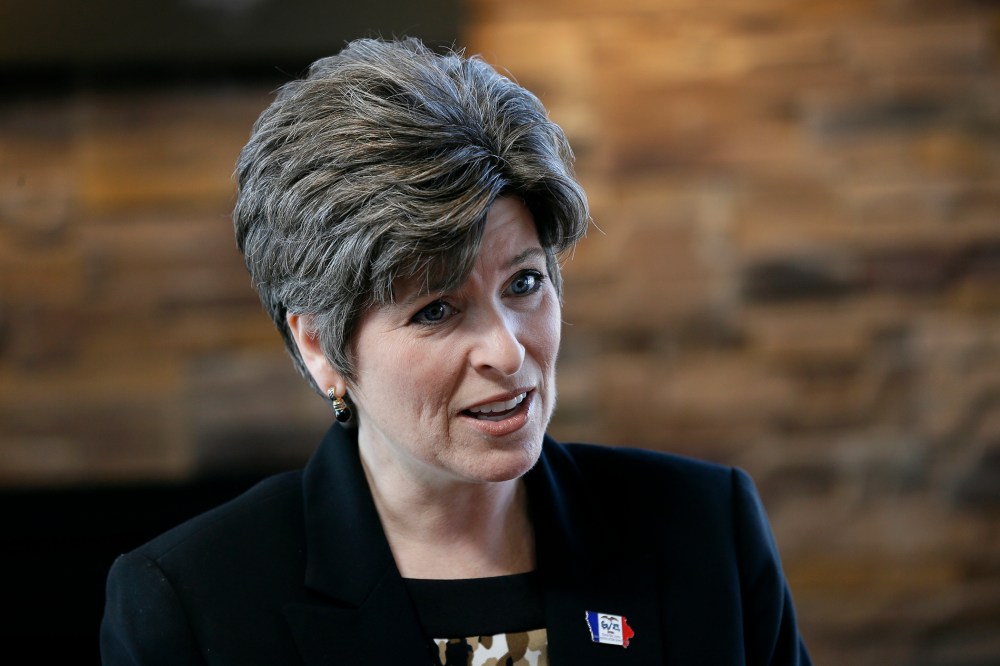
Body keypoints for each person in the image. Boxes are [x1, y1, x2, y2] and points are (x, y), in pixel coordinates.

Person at [101, 37, 811, 665]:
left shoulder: (704, 528)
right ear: (320, 347)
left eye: (525, 282)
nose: (507, 350)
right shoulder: (191, 605)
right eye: (436, 310)